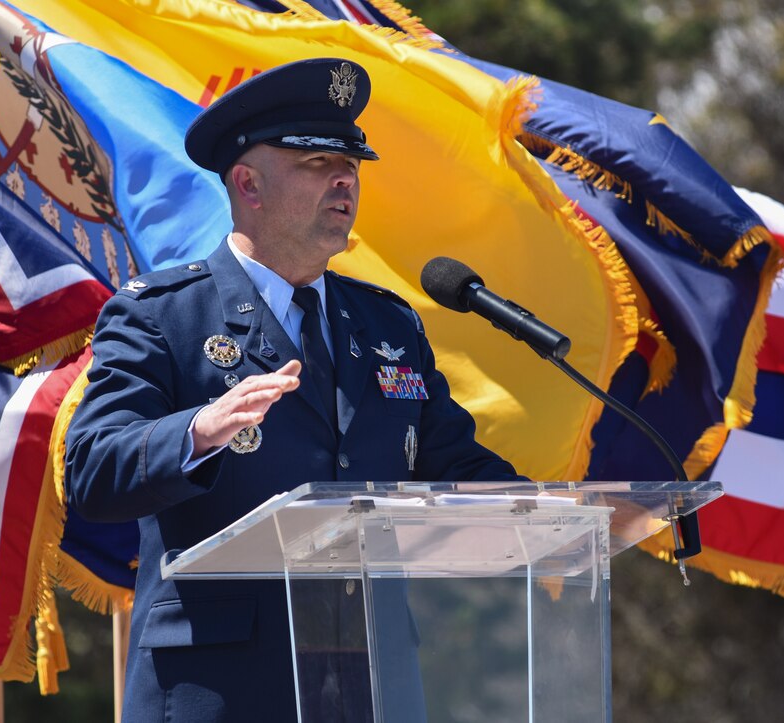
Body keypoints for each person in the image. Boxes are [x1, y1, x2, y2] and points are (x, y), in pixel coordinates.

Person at [64, 57, 522, 722]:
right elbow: (93, 469)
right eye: (316, 162)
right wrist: (197, 431)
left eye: (353, 163)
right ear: (247, 182)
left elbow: (452, 466)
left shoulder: (388, 322)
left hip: (371, 689)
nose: (345, 178)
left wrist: (566, 514)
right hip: (222, 692)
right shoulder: (160, 315)